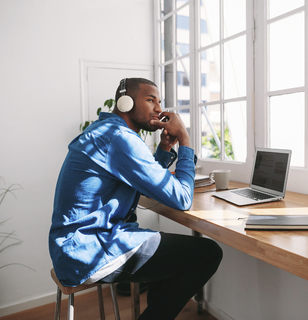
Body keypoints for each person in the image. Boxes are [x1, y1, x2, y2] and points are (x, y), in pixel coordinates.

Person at [49, 78, 223, 320]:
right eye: (150, 100)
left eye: (160, 102)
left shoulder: (106, 131)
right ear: (125, 102)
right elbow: (183, 198)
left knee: (167, 257)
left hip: (76, 245)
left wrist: (163, 150)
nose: (159, 109)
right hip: (89, 249)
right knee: (208, 253)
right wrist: (184, 138)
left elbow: (142, 182)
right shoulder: (120, 138)